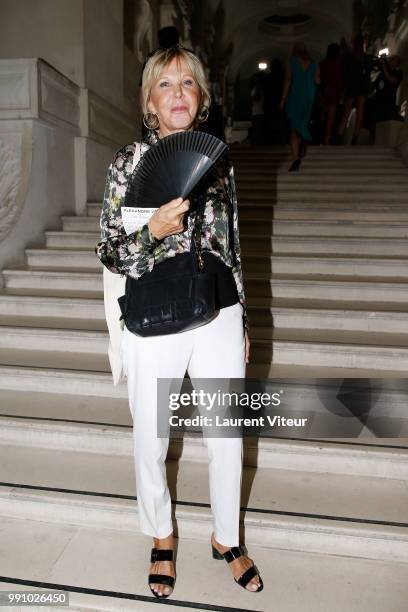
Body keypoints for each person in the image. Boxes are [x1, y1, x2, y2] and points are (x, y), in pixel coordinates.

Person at [95, 45, 263, 599]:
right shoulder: (129, 162)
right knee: (152, 434)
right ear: (149, 100)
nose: (178, 94)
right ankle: (161, 535)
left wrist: (242, 314)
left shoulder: (218, 160)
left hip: (217, 303)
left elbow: (234, 243)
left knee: (226, 432)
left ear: (202, 97)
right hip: (155, 310)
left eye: (188, 83)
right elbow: (112, 251)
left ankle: (225, 537)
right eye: (165, 85)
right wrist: (155, 233)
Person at [280, 42, 321, 171]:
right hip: (309, 96)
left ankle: (295, 158)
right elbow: (317, 81)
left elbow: (287, 80)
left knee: (294, 128)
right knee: (302, 124)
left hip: (296, 96)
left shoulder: (291, 61)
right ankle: (302, 145)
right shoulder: (314, 64)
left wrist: (282, 100)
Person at [337, 34, 373, 144]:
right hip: (361, 85)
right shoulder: (366, 57)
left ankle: (338, 136)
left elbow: (344, 72)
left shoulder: (348, 57)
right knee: (360, 113)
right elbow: (368, 73)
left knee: (346, 113)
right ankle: (355, 137)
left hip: (351, 86)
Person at [364, 54, 403, 142]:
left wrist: (384, 68)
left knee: (383, 122)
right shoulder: (382, 73)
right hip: (378, 102)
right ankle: (372, 139)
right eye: (390, 58)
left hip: (388, 103)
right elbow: (374, 86)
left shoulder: (398, 72)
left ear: (397, 63)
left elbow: (391, 80)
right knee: (373, 121)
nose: (390, 60)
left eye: (393, 59)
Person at [320, 43, 344, 145]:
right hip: (334, 91)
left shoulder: (324, 63)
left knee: (323, 114)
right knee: (331, 116)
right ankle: (328, 138)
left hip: (325, 90)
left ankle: (321, 135)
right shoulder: (338, 63)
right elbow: (339, 79)